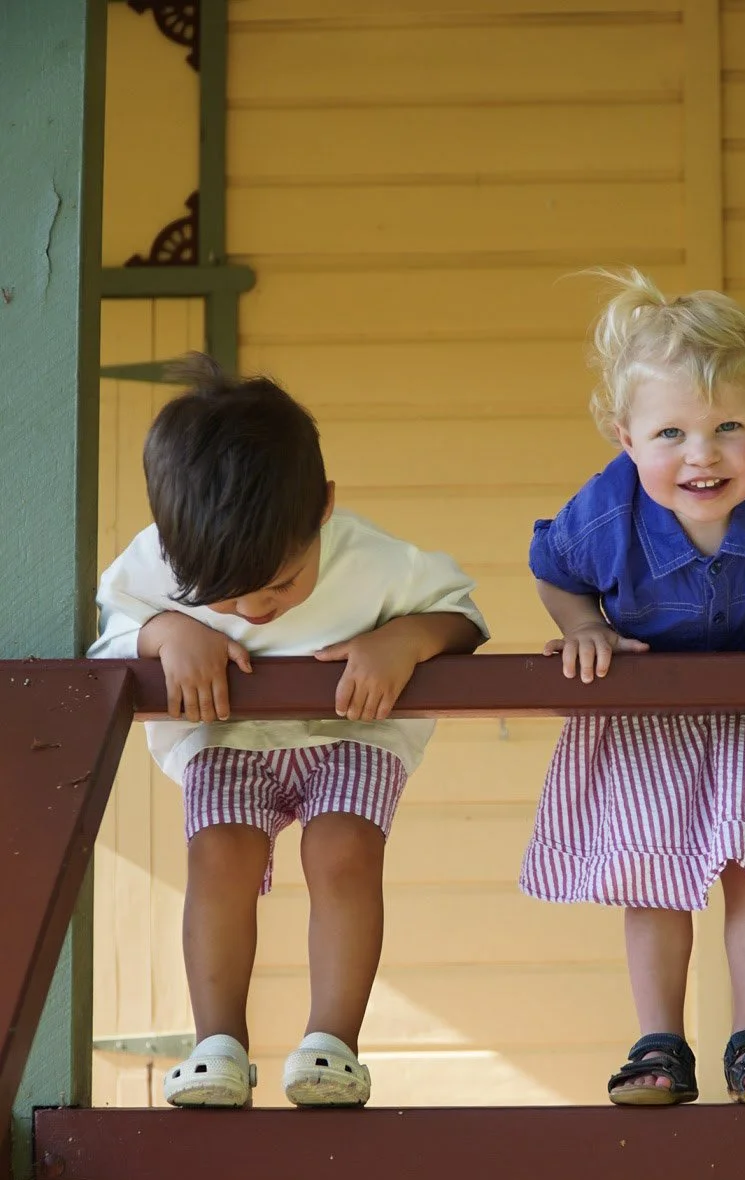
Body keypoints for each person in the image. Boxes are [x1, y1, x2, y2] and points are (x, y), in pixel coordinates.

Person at [521, 270, 745, 1106]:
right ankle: (659, 1046)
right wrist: (583, 627)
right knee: (654, 868)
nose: (702, 454)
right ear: (625, 437)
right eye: (671, 433)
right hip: (651, 699)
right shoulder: (604, 516)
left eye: (730, 426)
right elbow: (554, 570)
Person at [91, 355, 487, 1109]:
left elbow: (461, 616)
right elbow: (111, 639)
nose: (257, 611)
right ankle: (217, 1047)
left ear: (325, 508)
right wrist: (168, 630)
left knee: (342, 851)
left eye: (280, 583)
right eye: (228, 598)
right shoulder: (156, 561)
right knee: (220, 856)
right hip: (227, 736)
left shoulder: (373, 558)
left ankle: (332, 1047)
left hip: (350, 730)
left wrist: (405, 638)